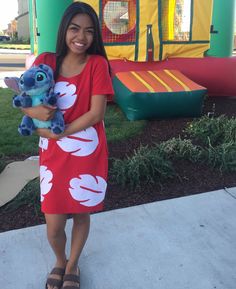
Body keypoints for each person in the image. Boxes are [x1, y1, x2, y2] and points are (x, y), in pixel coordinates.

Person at [23, 2, 114, 289]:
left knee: (81, 212)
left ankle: (72, 265)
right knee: (54, 224)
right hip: (53, 154)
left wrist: (59, 133)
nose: (81, 37)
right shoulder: (46, 61)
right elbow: (27, 101)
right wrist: (33, 115)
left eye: (89, 31)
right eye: (75, 28)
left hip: (86, 150)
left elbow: (96, 113)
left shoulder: (97, 64)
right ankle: (59, 259)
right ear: (64, 30)